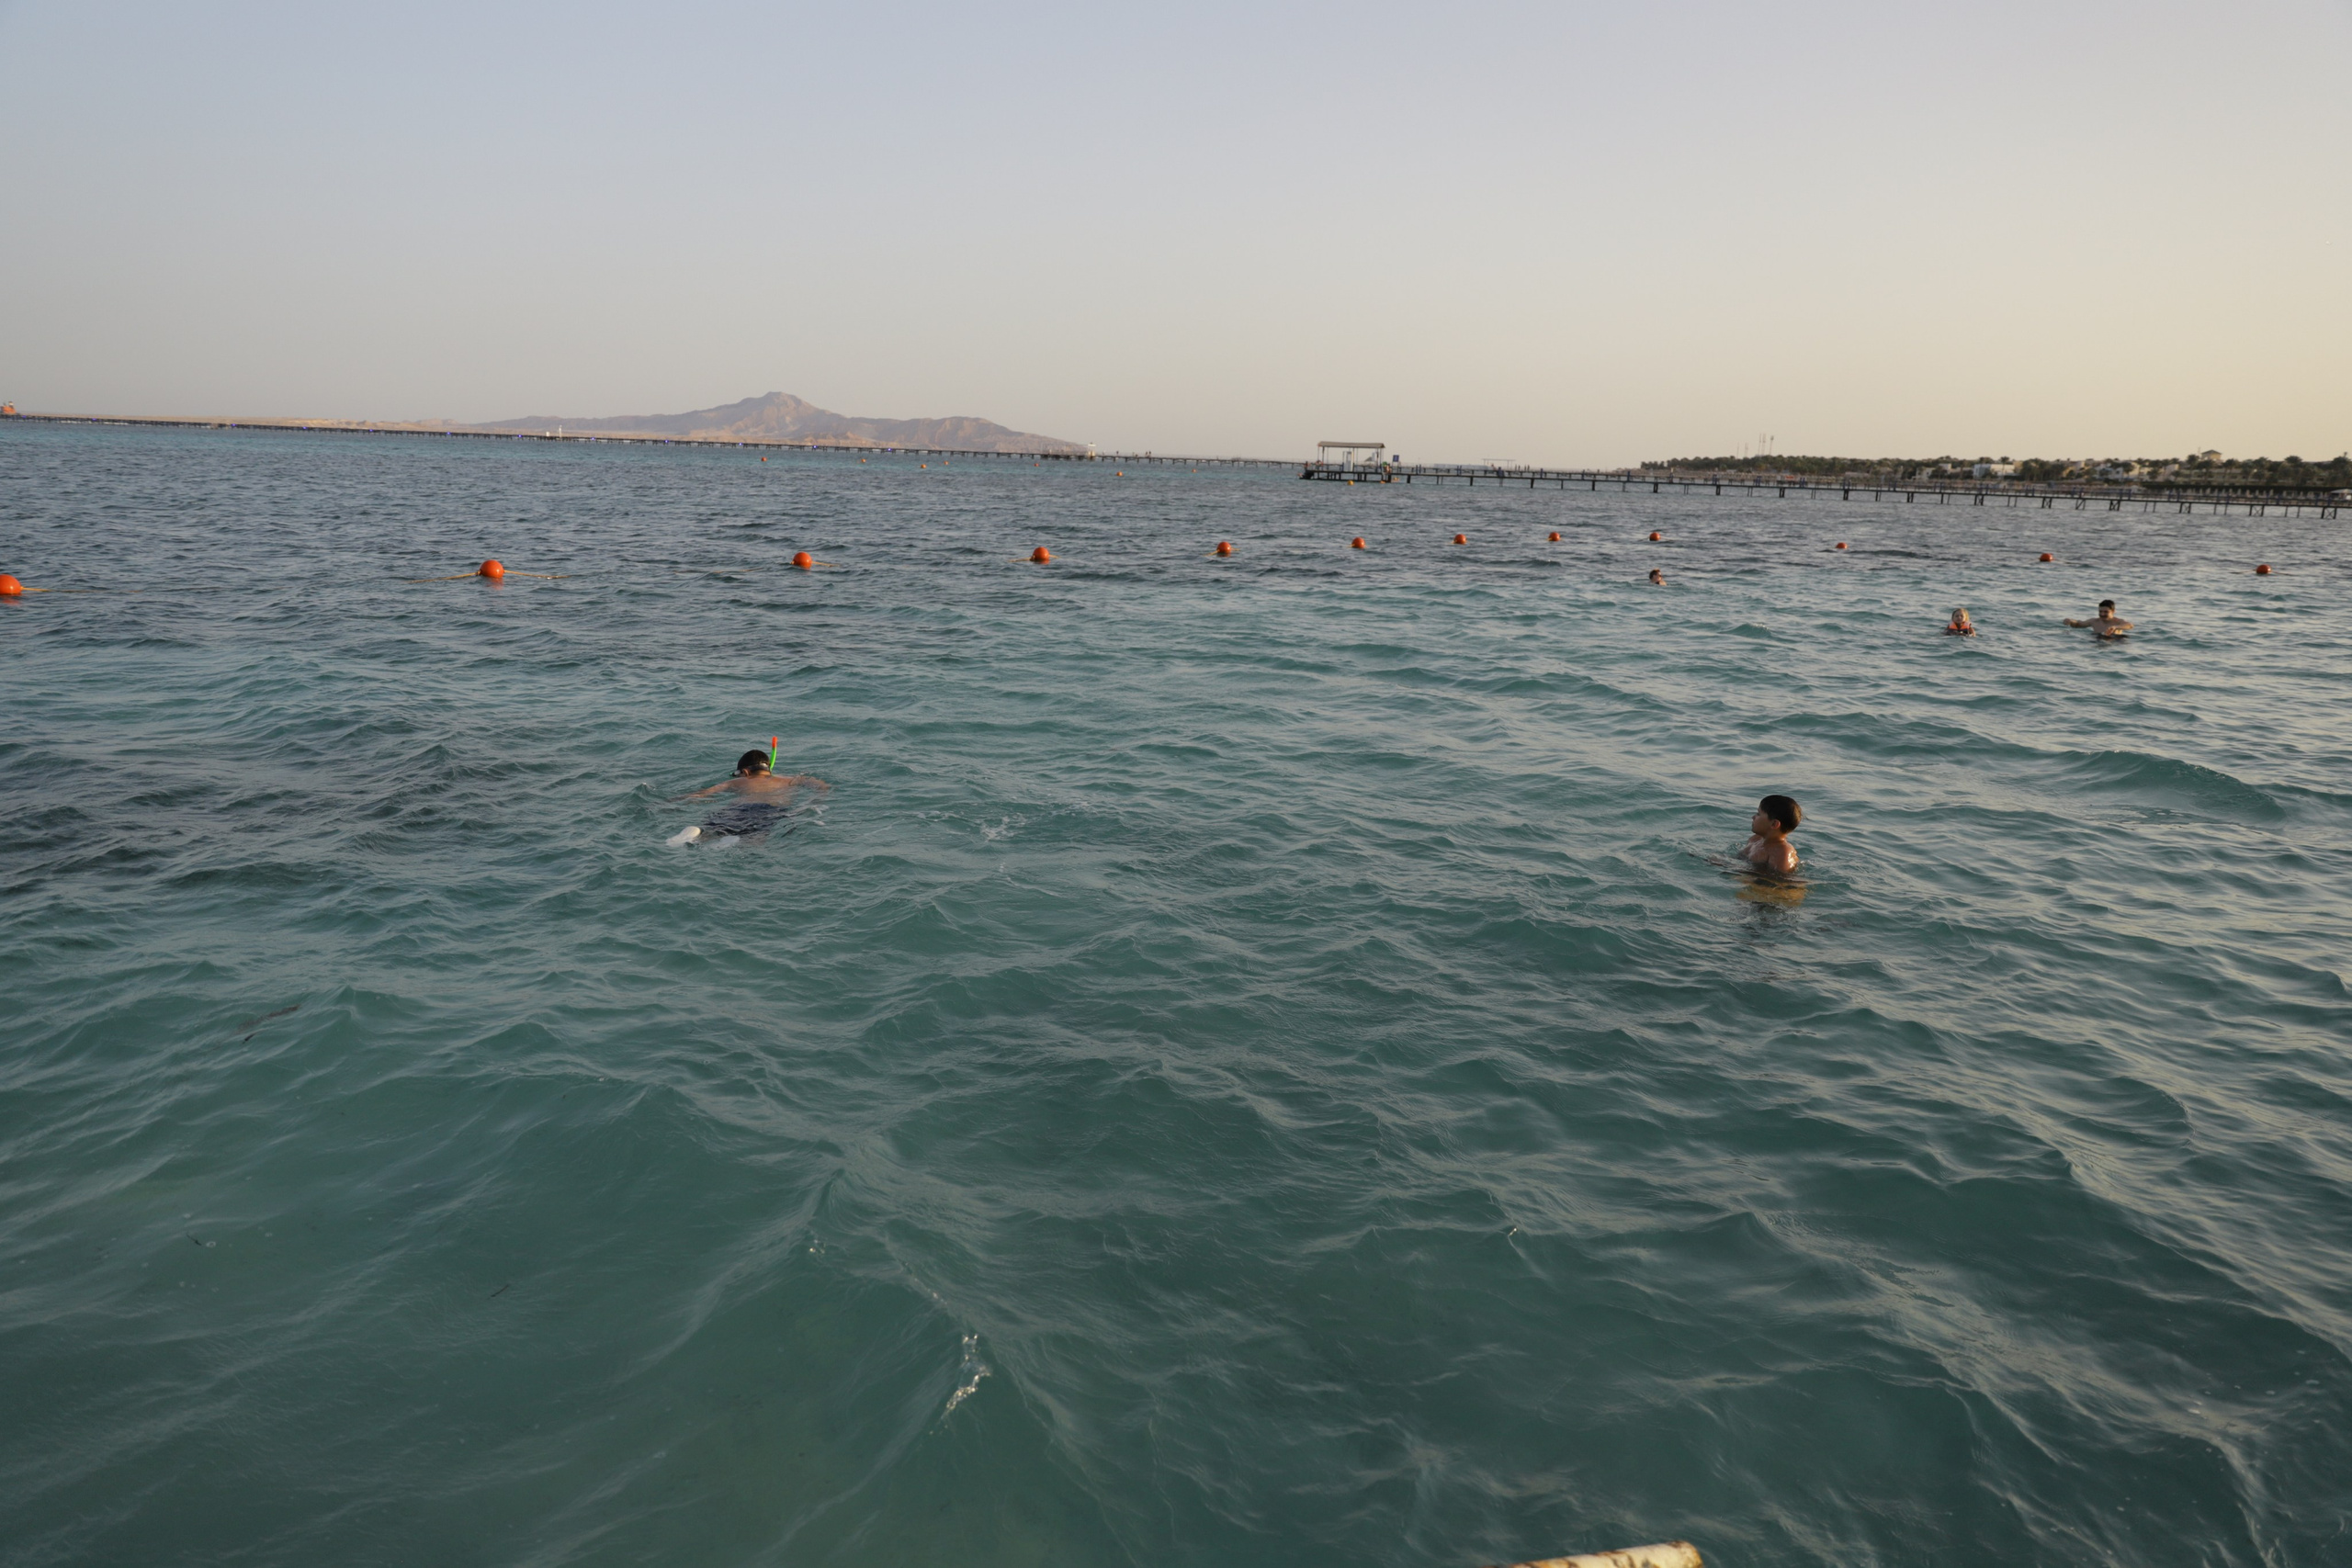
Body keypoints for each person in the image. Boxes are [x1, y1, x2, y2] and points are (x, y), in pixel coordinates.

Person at [669, 750, 828, 844]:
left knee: (714, 829)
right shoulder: (789, 780)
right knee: (754, 840)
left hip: (735, 809)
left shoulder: (738, 782)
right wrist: (815, 800)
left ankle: (697, 833)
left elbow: (701, 794)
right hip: (769, 812)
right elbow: (821, 786)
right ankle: (729, 843)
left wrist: (671, 802)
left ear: (745, 772)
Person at [1742, 795, 1801, 875]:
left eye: (1758, 814)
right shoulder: (1755, 839)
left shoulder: (1782, 851)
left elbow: (1781, 882)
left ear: (1774, 824)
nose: (1753, 817)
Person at [2064, 599, 2132, 637]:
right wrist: (2070, 621)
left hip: (2115, 643)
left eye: (2106, 612)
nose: (2102, 614)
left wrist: (2115, 627)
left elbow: (2130, 625)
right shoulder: (2094, 621)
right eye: (2100, 611)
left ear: (2113, 611)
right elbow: (2078, 625)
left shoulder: (2118, 622)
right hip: (2097, 641)